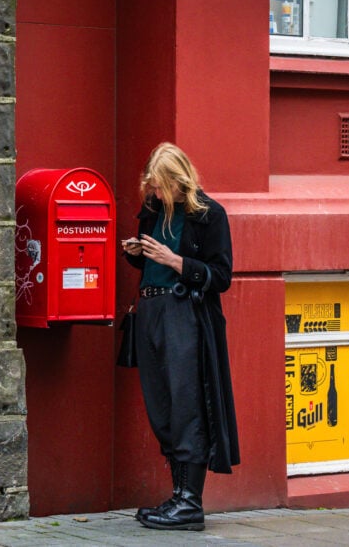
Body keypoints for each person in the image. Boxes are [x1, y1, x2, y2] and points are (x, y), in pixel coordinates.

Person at [120, 142, 240, 531]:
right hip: (152, 311)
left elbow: (221, 276)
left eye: (159, 186)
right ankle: (178, 497)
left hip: (185, 314)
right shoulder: (152, 212)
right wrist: (136, 251)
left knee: (187, 403)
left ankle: (190, 503)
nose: (154, 193)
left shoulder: (209, 215)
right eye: (151, 187)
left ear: (178, 180)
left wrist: (176, 261)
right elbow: (148, 264)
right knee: (162, 405)